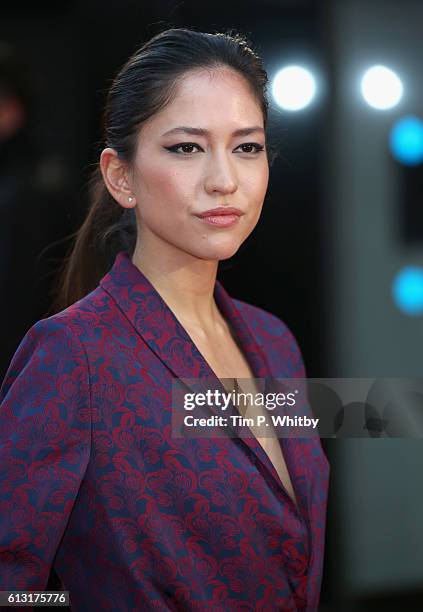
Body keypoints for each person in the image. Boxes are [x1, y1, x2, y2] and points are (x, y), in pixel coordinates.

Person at [0, 27, 329, 611]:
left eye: (246, 147)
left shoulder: (276, 344)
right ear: (121, 176)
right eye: (187, 148)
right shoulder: (72, 354)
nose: (224, 179)